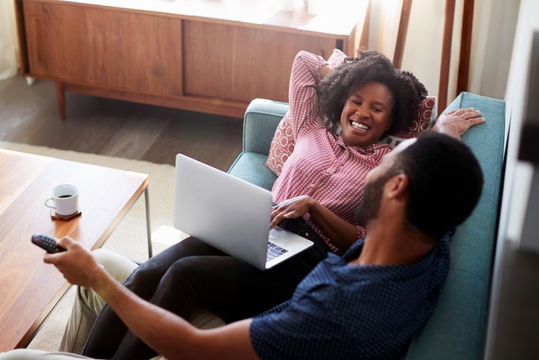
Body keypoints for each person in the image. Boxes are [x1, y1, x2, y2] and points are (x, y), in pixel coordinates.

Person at [52, 49, 483, 359]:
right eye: (356, 100)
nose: (363, 113)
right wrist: (438, 128)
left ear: (396, 182)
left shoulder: (346, 290)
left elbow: (387, 215)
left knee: (183, 275)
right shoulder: (428, 230)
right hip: (261, 223)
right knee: (151, 269)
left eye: (378, 110)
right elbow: (304, 62)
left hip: (307, 252)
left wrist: (313, 205)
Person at [0, 131, 485, 359]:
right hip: (269, 330)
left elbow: (190, 347)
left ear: (397, 188)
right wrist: (442, 139)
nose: (373, 169)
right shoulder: (430, 240)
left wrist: (96, 281)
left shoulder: (336, 310)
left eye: (388, 162)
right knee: (107, 260)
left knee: (13, 357)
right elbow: (441, 181)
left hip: (225, 351)